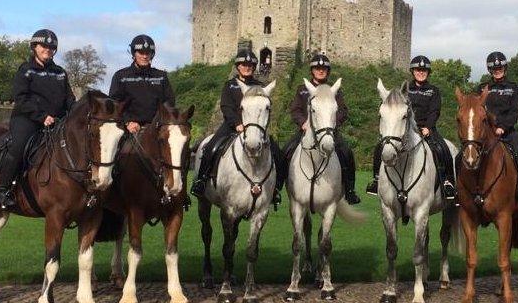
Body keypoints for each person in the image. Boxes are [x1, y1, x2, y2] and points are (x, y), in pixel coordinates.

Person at [190, 50, 285, 203]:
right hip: (232, 125)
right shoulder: (230, 85)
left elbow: (266, 107)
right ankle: (201, 181)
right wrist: (237, 124)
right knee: (211, 147)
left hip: (255, 128)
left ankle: (275, 188)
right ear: (238, 66)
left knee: (277, 152)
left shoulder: (260, 86)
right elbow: (226, 106)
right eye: (244, 64)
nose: (247, 67)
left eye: (250, 65)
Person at [0, 29, 75, 210]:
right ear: (35, 47)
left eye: (51, 47)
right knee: (18, 146)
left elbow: (69, 99)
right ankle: (3, 190)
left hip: (56, 121)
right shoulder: (26, 69)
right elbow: (21, 98)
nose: (47, 49)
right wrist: (41, 116)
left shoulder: (60, 72)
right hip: (27, 119)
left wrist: (75, 113)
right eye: (43, 46)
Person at [366, 55, 457, 200]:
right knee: (380, 147)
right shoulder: (405, 90)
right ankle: (377, 179)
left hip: (427, 129)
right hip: (406, 129)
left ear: (428, 73)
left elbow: (435, 111)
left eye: (424, 70)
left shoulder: (433, 91)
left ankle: (448, 182)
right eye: (418, 70)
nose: (421, 72)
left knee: (442, 148)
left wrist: (428, 127)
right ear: (412, 71)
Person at [283, 53, 361, 205]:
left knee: (346, 152)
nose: (321, 71)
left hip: (329, 132)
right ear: (312, 70)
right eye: (317, 68)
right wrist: (302, 122)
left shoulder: (334, 90)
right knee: (286, 151)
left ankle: (350, 191)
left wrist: (331, 125)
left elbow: (343, 111)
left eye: (324, 68)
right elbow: (295, 109)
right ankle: (279, 186)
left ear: (328, 71)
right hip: (306, 131)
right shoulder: (302, 89)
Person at [478, 51, 518, 210]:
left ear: (505, 69)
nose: (497, 70)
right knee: (463, 156)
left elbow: (514, 111)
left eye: (500, 68)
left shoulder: (513, 88)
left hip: (507, 132)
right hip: (486, 134)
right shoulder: (483, 88)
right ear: (490, 70)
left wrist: (502, 127)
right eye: (494, 68)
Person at [109, 34, 175, 133]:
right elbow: (114, 104)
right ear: (134, 53)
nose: (144, 56)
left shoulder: (161, 76)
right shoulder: (121, 76)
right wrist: (128, 122)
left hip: (157, 129)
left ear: (152, 54)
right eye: (141, 52)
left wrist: (159, 121)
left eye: (148, 53)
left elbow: (169, 102)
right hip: (129, 129)